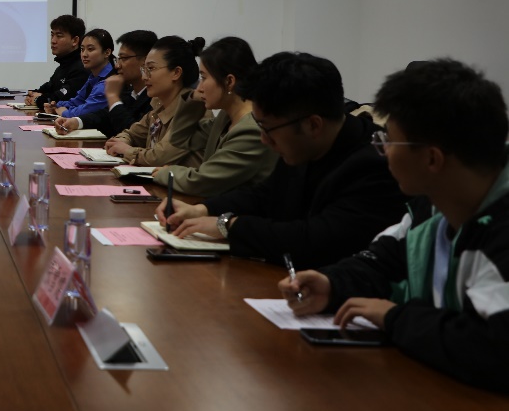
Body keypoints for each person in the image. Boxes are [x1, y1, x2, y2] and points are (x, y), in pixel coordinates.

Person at [280, 59, 509, 393]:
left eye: (389, 141)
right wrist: (332, 284)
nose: (383, 153)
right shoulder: (430, 207)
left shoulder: (501, 228)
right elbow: (380, 261)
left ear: (432, 159)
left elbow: (494, 349)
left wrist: (394, 317)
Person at [160, 52, 407, 269]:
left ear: (313, 125)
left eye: (268, 129)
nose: (264, 140)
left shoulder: (376, 163)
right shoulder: (305, 145)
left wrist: (228, 225)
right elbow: (265, 195)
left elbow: (315, 240)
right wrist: (202, 209)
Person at [151, 36, 276, 196]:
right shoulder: (226, 117)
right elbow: (181, 138)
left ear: (229, 81)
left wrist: (167, 173)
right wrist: (193, 99)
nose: (199, 87)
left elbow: (201, 182)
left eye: (204, 78)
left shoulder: (251, 129)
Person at [103, 35, 208, 168]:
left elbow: (159, 157)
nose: (144, 77)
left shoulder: (194, 110)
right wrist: (119, 142)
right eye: (144, 69)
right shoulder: (159, 105)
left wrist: (127, 150)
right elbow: (132, 134)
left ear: (176, 72)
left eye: (151, 69)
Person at [55, 29, 156, 137]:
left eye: (124, 58)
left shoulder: (155, 98)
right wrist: (76, 122)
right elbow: (103, 115)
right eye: (118, 59)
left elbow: (134, 134)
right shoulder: (130, 93)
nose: (117, 65)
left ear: (146, 61)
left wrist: (112, 97)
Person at [25, 14, 87, 111]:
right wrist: (32, 94)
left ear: (75, 40)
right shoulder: (62, 66)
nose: (53, 41)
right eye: (52, 35)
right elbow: (46, 89)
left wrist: (37, 99)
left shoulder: (82, 67)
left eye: (59, 36)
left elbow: (59, 98)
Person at [50, 28, 114, 120]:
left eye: (90, 49)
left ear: (107, 52)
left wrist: (63, 112)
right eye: (82, 49)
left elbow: (86, 110)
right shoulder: (93, 76)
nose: (84, 54)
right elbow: (78, 101)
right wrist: (56, 106)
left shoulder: (110, 81)